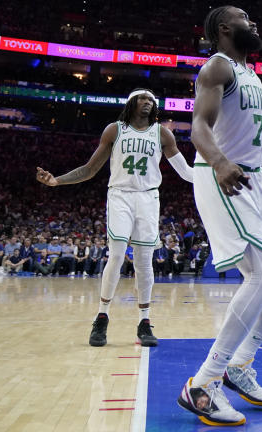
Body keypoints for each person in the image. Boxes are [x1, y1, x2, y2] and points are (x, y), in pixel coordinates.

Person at [176, 6, 262, 426]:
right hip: (223, 177)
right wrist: (218, 163)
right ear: (223, 28)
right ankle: (204, 383)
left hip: (256, 180)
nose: (254, 23)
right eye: (245, 19)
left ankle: (240, 362)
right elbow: (198, 126)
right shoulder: (217, 69)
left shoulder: (249, 71)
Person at [36, 88, 194, 347]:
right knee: (117, 254)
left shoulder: (162, 133)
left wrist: (215, 176)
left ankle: (144, 321)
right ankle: (102, 317)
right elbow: (89, 169)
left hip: (148, 198)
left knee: (144, 262)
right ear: (132, 102)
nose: (147, 103)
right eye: (142, 99)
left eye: (151, 100)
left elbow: (186, 172)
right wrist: (56, 181)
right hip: (120, 195)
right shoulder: (115, 130)